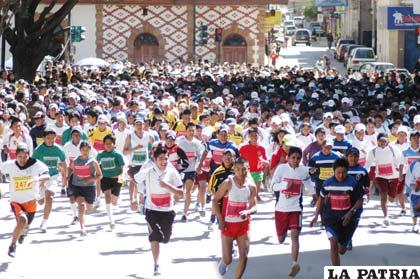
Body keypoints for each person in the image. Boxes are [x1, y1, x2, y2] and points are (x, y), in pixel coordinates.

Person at [132, 143, 183, 276]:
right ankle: (156, 264)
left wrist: (167, 186)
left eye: (166, 158)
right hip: (151, 210)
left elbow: (181, 193)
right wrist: (134, 199)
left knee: (165, 239)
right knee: (154, 237)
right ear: (154, 159)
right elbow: (134, 180)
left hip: (167, 211)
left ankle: (161, 244)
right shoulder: (147, 171)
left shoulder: (172, 172)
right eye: (161, 158)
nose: (164, 161)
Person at [310, 158, 363, 266]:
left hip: (348, 218)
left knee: (341, 250)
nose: (341, 175)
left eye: (344, 172)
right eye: (338, 172)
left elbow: (360, 199)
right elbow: (321, 198)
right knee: (333, 244)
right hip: (331, 218)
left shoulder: (353, 183)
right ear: (334, 171)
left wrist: (350, 213)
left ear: (347, 172)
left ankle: (344, 242)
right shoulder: (327, 183)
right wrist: (316, 216)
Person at [0, 143, 50, 257]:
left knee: (26, 225)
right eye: (19, 156)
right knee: (22, 221)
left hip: (31, 201)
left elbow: (47, 175)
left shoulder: (35, 164)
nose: (22, 159)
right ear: (16, 156)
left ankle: (23, 233)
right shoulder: (10, 165)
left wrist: (36, 178)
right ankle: (12, 246)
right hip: (16, 201)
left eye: (25, 156)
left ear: (29, 155)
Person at [271, 146, 313, 277]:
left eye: (298, 158)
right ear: (288, 157)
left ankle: (294, 263)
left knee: (295, 237)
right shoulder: (281, 168)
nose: (296, 160)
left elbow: (309, 186)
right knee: (281, 239)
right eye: (293, 157)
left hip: (296, 209)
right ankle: (284, 233)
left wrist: (316, 189)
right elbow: (273, 186)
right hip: (281, 209)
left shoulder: (304, 171)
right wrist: (285, 185)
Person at [213, 157, 257, 279]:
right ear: (234, 170)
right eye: (238, 170)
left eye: (244, 169)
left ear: (248, 169)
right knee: (228, 259)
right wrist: (220, 220)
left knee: (244, 257)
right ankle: (225, 261)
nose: (241, 173)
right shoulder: (228, 182)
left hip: (243, 225)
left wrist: (248, 211)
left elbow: (255, 207)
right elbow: (215, 201)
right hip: (228, 225)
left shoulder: (252, 186)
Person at [32, 127, 67, 233]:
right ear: (43, 138)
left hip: (53, 176)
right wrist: (36, 179)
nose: (51, 140)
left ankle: (44, 222)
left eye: (53, 138)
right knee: (41, 201)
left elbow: (64, 164)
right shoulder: (38, 150)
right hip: (41, 178)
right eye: (48, 138)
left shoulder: (59, 150)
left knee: (50, 197)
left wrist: (65, 180)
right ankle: (40, 197)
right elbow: (32, 165)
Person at [365, 133, 404, 226]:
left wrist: (400, 174)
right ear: (377, 141)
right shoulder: (373, 151)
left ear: (388, 141)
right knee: (383, 197)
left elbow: (401, 162)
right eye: (380, 141)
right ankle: (386, 217)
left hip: (394, 176)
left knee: (391, 199)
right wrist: (363, 173)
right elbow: (367, 165)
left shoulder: (394, 149)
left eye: (384, 141)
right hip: (380, 177)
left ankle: (389, 198)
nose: (382, 143)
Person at [67, 141, 103, 236]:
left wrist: (90, 179)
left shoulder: (93, 161)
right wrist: (67, 177)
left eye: (87, 150)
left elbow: (100, 176)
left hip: (90, 187)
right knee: (81, 206)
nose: (85, 152)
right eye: (83, 150)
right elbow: (71, 169)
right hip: (77, 186)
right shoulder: (75, 160)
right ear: (80, 150)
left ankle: (89, 207)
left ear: (90, 150)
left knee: (89, 208)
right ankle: (82, 229)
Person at [97, 134, 125, 229]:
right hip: (105, 178)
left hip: (116, 179)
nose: (108, 145)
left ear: (114, 144)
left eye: (110, 143)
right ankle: (111, 220)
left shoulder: (117, 154)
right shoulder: (100, 155)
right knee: (107, 196)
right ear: (103, 145)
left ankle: (117, 200)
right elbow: (95, 165)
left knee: (114, 202)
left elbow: (123, 167)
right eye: (106, 143)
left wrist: (122, 178)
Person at [177, 123, 203, 218]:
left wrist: (199, 166)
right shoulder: (179, 141)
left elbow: (200, 156)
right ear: (186, 131)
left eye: (193, 130)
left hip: (191, 170)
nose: (191, 132)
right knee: (178, 194)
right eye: (190, 130)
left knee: (188, 192)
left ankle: (185, 213)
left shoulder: (197, 142)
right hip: (180, 170)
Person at [345, 147, 370, 250]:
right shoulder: (343, 169)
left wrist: (366, 194)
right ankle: (346, 239)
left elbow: (366, 185)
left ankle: (349, 237)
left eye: (355, 156)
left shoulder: (362, 171)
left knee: (354, 221)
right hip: (344, 200)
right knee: (345, 220)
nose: (353, 158)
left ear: (359, 158)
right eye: (351, 156)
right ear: (347, 157)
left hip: (357, 201)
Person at [208, 149, 235, 230]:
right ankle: (213, 219)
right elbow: (211, 188)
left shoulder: (237, 169)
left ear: (234, 158)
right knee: (223, 226)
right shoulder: (217, 172)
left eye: (230, 156)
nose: (228, 158)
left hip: (235, 199)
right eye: (226, 156)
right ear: (222, 158)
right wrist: (220, 194)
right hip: (221, 200)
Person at [239, 128, 268, 201]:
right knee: (248, 190)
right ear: (248, 136)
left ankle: (256, 196)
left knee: (256, 192)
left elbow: (266, 161)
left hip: (258, 172)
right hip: (247, 172)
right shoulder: (243, 148)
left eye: (256, 135)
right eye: (252, 135)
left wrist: (263, 161)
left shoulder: (262, 148)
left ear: (259, 136)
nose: (254, 137)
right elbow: (239, 160)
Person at [405, 158, 420, 232]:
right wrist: (414, 187)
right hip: (415, 193)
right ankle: (415, 225)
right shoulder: (414, 164)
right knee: (415, 209)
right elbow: (409, 179)